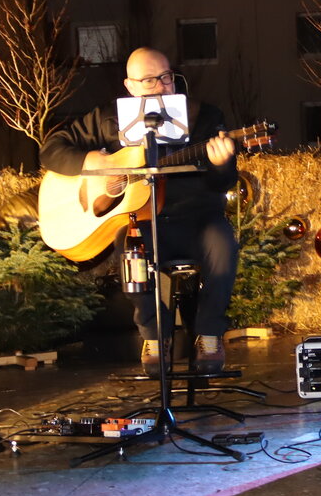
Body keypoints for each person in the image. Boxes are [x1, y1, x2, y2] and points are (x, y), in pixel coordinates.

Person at [40, 47, 238, 374]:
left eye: (166, 77)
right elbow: (51, 150)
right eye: (149, 80)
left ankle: (209, 335)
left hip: (199, 220)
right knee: (129, 247)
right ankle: (155, 336)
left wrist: (221, 164)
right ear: (130, 86)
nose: (161, 86)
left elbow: (224, 182)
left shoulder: (204, 116)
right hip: (142, 222)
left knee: (224, 244)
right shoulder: (105, 119)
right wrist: (92, 161)